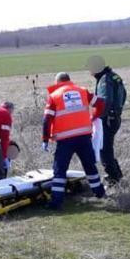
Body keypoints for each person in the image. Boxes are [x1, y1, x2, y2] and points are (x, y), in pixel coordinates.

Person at [42, 72, 106, 210]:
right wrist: (94, 117)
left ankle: (56, 202)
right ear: (69, 81)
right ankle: (100, 194)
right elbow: (100, 103)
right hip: (84, 137)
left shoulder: (54, 96)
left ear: (57, 82)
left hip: (65, 140)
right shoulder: (82, 91)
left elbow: (47, 119)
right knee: (90, 167)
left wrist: (45, 139)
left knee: (59, 171)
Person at [87, 56, 127, 185]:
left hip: (108, 119)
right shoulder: (114, 76)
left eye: (90, 68)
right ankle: (117, 175)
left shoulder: (104, 80)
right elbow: (124, 94)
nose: (89, 71)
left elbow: (105, 101)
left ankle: (113, 178)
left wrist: (97, 117)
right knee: (107, 148)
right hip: (115, 117)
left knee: (104, 149)